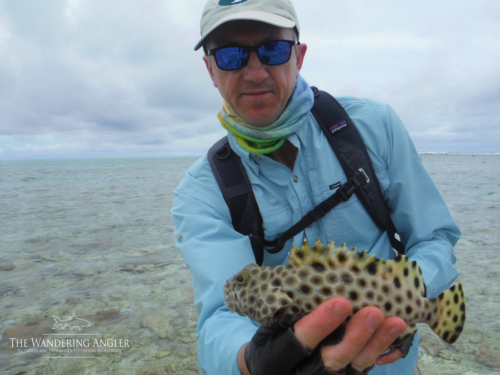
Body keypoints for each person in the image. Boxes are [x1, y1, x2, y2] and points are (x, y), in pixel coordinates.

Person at [171, 0, 461, 374]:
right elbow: (218, 318)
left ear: (299, 55)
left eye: (273, 50)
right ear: (211, 69)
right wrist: (252, 362)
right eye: (230, 56)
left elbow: (434, 236)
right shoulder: (201, 192)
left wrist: (407, 300)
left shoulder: (374, 125)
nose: (255, 72)